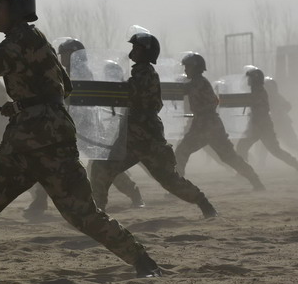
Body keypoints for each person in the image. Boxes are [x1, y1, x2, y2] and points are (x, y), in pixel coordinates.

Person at [0, 0, 161, 284]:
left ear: (17, 9)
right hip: (25, 141)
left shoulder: (22, 40)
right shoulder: (34, 40)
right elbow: (65, 87)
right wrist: (23, 103)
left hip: (48, 143)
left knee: (81, 214)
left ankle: (142, 259)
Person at [89, 27, 218, 218]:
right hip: (134, 136)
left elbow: (130, 95)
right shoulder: (140, 72)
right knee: (102, 168)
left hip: (146, 137)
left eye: (137, 48)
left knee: (168, 180)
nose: (132, 51)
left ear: (145, 52)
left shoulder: (145, 73)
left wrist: (101, 91)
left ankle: (203, 202)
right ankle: (97, 212)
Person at [26, 41, 145, 218]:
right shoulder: (65, 73)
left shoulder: (80, 73)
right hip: (67, 126)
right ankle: (40, 201)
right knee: (50, 161)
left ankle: (134, 193)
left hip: (86, 127)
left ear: (76, 54)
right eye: (62, 54)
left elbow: (74, 100)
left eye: (66, 54)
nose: (63, 58)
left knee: (101, 164)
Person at [172, 53, 265, 190]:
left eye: (188, 67)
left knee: (183, 152)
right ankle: (255, 181)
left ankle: (178, 187)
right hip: (208, 125)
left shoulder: (199, 83)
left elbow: (209, 100)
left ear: (196, 68)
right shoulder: (198, 82)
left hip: (206, 125)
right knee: (228, 157)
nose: (185, 70)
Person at [236, 66, 298, 172]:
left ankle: (295, 164)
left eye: (250, 78)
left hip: (261, 126)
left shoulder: (258, 92)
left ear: (255, 80)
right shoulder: (257, 91)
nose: (248, 81)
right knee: (244, 147)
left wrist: (222, 100)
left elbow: (244, 101)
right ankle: (243, 171)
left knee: (275, 150)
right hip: (260, 126)